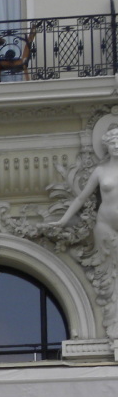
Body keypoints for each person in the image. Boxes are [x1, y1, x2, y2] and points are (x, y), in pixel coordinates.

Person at [53, 124, 118, 337]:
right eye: (112, 143)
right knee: (109, 273)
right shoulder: (100, 171)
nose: (116, 146)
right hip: (105, 225)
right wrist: (63, 220)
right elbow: (82, 197)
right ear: (106, 147)